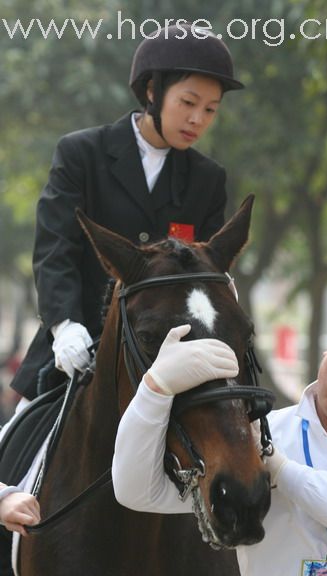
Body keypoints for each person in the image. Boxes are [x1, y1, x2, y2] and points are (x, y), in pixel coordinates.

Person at [8, 21, 243, 407]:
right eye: (188, 103)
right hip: (74, 352)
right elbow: (56, 249)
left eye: (210, 109)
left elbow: (205, 274)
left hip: (165, 363)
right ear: (153, 90)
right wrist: (65, 326)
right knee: (12, 452)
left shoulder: (208, 180)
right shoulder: (81, 153)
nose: (198, 119)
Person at [112, 291, 327, 576]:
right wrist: (155, 389)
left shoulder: (265, 446)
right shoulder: (260, 434)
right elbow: (140, 492)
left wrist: (282, 471)